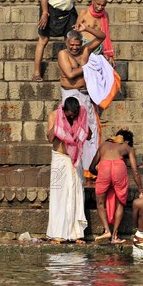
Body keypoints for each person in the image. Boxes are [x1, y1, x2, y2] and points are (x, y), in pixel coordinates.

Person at [58, 27, 105, 178]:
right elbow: (70, 74)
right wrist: (88, 67)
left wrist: (86, 28)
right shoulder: (63, 54)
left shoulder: (85, 50)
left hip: (86, 95)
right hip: (71, 95)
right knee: (73, 129)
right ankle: (72, 164)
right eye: (72, 44)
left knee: (91, 130)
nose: (74, 47)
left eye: (77, 44)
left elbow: (101, 37)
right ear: (66, 42)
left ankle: (89, 168)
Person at [46, 97, 90, 244]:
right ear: (64, 110)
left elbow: (88, 136)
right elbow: (50, 138)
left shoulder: (80, 116)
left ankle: (77, 234)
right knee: (59, 195)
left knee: (76, 195)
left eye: (74, 115)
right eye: (69, 115)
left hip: (75, 159)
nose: (72, 117)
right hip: (60, 158)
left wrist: (81, 123)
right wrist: (59, 124)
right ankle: (58, 234)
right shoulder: (54, 115)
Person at [89, 128, 143, 244]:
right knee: (120, 202)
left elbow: (91, 167)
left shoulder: (103, 145)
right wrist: (140, 190)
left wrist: (101, 176)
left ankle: (107, 231)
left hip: (104, 168)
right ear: (127, 141)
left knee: (100, 203)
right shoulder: (127, 147)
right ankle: (115, 235)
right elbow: (135, 171)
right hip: (119, 168)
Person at [75, 0, 115, 65]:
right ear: (93, 1)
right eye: (98, 4)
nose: (100, 7)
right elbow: (76, 30)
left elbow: (106, 35)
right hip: (84, 48)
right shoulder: (84, 12)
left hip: (98, 49)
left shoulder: (105, 15)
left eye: (103, 5)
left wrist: (110, 55)